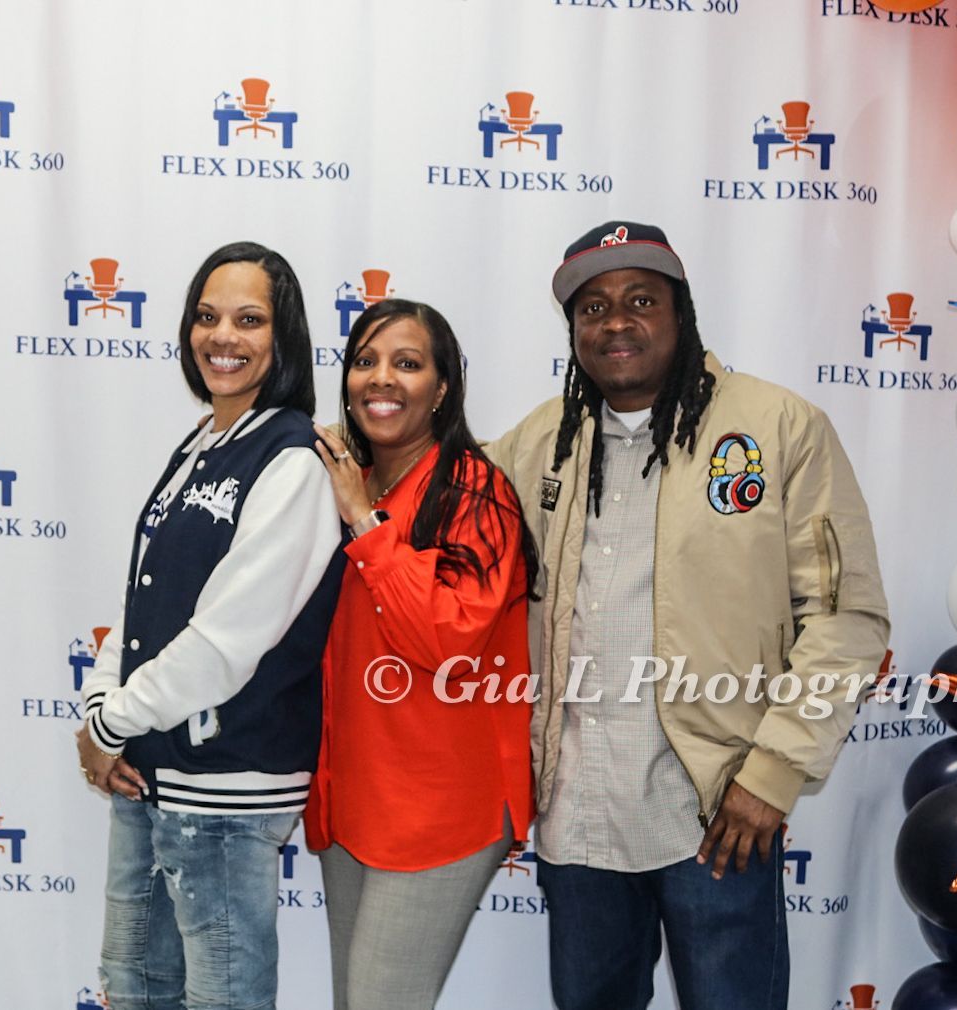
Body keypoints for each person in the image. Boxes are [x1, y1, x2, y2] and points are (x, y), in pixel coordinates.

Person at [487, 221, 890, 1010]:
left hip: (718, 811)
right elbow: (436, 509)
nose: (616, 322)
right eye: (593, 308)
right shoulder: (540, 443)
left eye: (641, 300)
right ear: (574, 332)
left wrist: (771, 775)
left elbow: (847, 618)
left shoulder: (778, 427)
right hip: (579, 817)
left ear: (681, 314)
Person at [76, 241, 345, 1010]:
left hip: (225, 792)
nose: (222, 336)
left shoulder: (292, 458)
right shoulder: (201, 445)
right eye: (207, 316)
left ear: (283, 336)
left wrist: (112, 721)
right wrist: (100, 716)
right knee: (134, 991)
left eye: (249, 319)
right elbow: (141, 610)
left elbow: (230, 637)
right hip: (148, 772)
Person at [306, 298, 536, 1010]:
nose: (382, 379)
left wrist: (366, 525)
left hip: (442, 806)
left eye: (407, 364)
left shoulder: (475, 489)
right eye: (366, 362)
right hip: (354, 798)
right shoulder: (345, 480)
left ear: (442, 389)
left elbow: (447, 640)